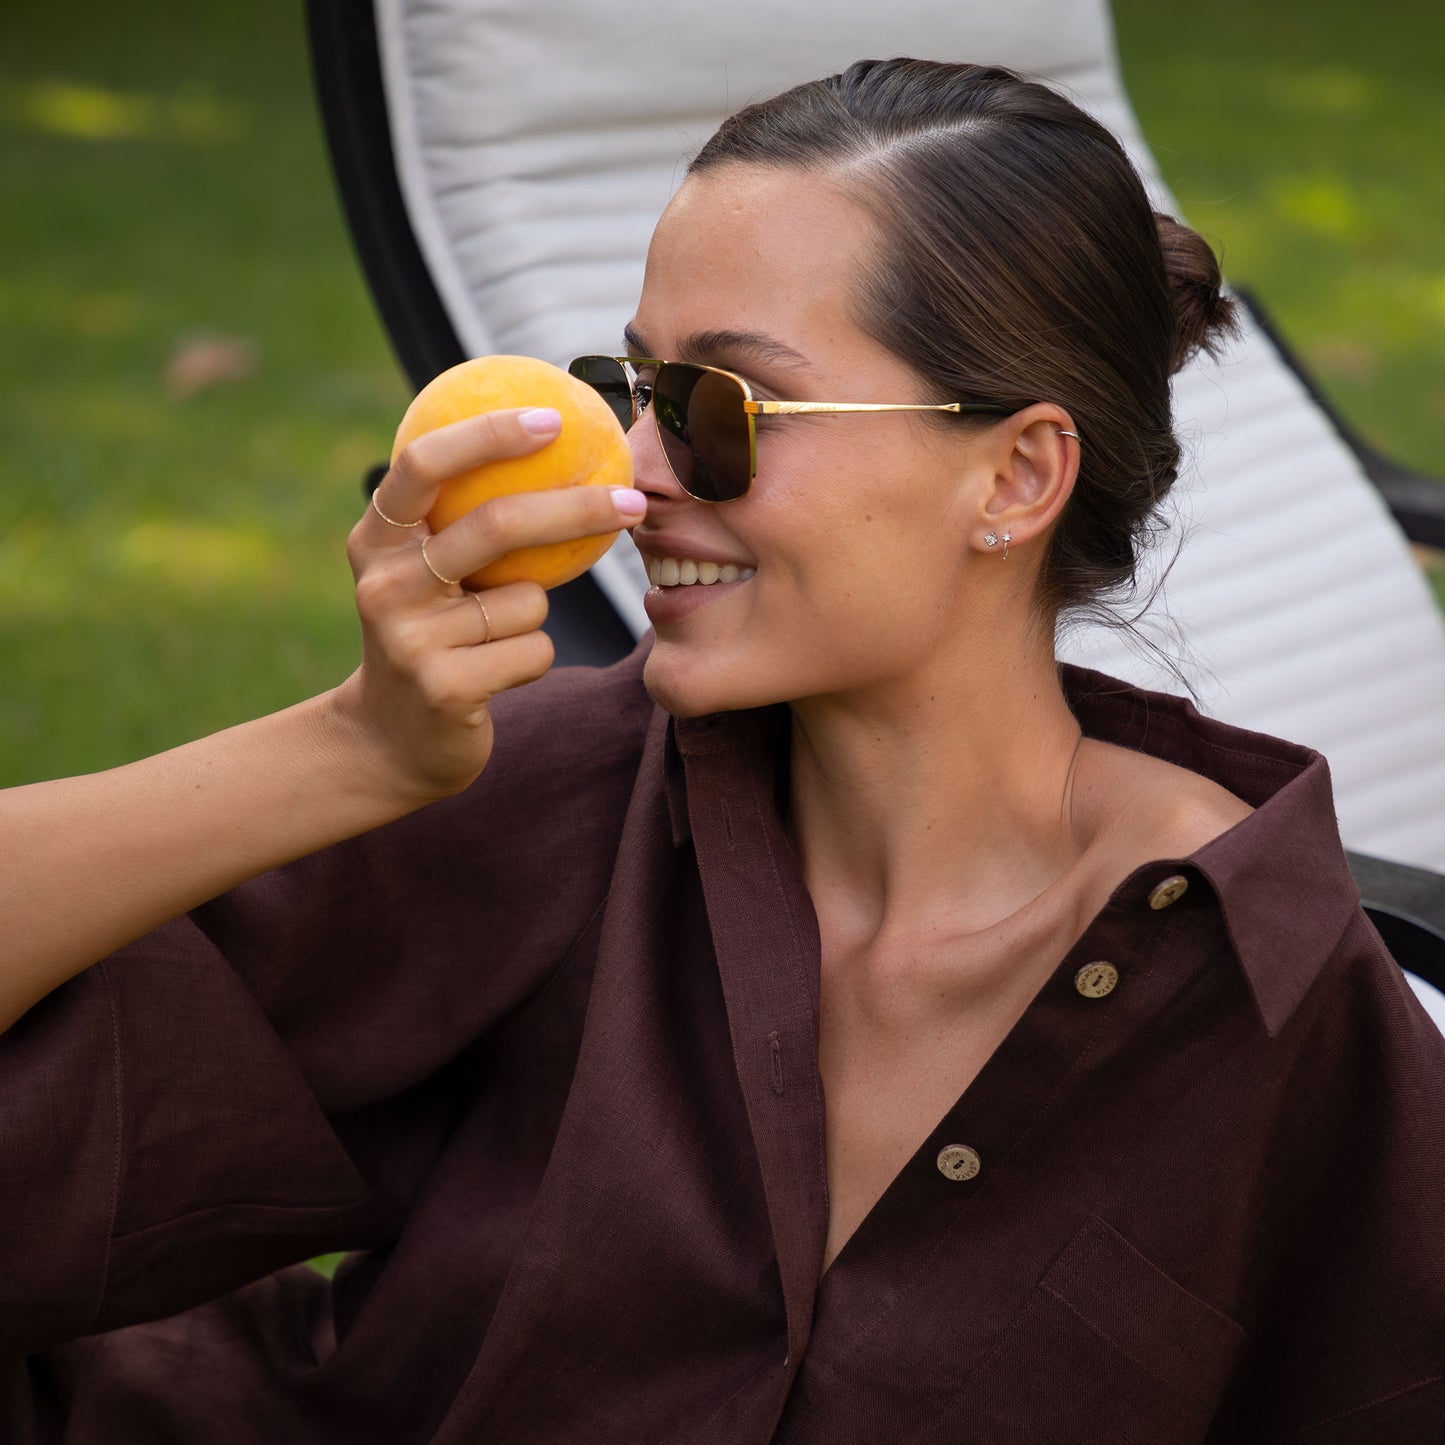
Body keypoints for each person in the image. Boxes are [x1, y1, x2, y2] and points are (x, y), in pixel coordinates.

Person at [2, 57, 1442, 1445]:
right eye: (629, 387)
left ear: (1013, 474)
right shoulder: (557, 796)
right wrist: (351, 752)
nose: (632, 470)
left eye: (719, 410)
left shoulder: (1260, 984)